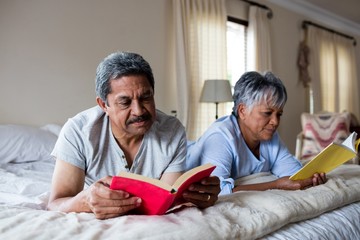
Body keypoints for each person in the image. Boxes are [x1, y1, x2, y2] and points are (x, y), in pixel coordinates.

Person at [47, 51, 220, 219]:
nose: (138, 111)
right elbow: (56, 204)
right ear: (103, 105)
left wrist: (197, 196)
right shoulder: (78, 131)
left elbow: (166, 198)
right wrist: (86, 200)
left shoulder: (172, 131)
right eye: (125, 102)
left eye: (146, 98)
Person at [187, 71, 326, 195]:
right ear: (242, 111)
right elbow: (218, 192)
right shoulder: (220, 138)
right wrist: (276, 185)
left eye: (279, 114)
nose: (275, 122)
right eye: (267, 113)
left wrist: (311, 177)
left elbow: (293, 174)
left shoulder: (269, 136)